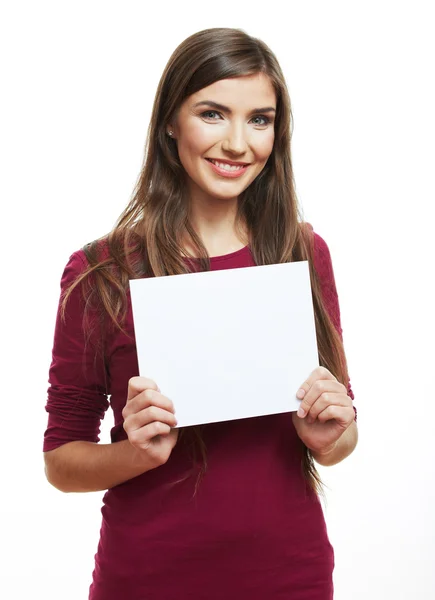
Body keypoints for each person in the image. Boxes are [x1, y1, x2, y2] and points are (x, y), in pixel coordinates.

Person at [43, 27, 358, 600]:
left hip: (290, 576)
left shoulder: (303, 253)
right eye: (213, 114)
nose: (238, 143)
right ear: (171, 121)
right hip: (146, 578)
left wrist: (331, 434)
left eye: (259, 120)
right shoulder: (102, 270)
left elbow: (341, 433)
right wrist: (134, 454)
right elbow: (61, 461)